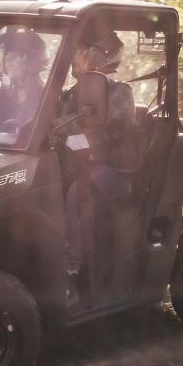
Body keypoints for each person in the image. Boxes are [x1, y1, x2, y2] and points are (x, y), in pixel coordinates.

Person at [60, 28, 136, 306]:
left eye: (79, 52)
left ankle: (71, 273)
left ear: (96, 56)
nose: (73, 57)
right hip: (81, 164)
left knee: (75, 196)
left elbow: (93, 123)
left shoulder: (120, 92)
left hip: (113, 169)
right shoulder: (71, 93)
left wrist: (72, 134)